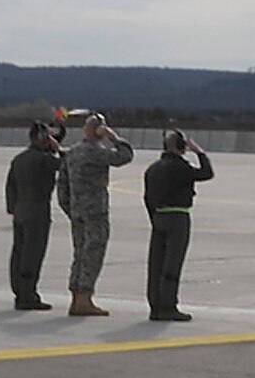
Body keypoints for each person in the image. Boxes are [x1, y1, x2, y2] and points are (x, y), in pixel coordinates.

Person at [61, 113, 134, 316]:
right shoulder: (95, 152)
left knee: (79, 253)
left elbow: (62, 187)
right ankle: (85, 299)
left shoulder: (73, 152)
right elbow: (125, 156)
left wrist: (70, 208)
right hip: (95, 211)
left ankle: (76, 299)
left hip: (77, 211)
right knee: (93, 253)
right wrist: (113, 137)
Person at [141, 129, 213, 321]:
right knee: (172, 263)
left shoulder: (152, 169)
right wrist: (200, 153)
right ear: (181, 147)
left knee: (155, 264)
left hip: (157, 217)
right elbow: (206, 173)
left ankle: (155, 306)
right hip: (178, 217)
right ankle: (168, 306)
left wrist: (154, 218)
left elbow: (147, 197)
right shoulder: (181, 167)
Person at [3, 122, 63, 310]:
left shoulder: (19, 159)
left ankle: (19, 291)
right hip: (37, 210)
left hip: (20, 209)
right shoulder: (44, 160)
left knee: (18, 252)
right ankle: (28, 295)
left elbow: (10, 187)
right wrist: (58, 149)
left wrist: (13, 208)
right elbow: (68, 164)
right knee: (33, 254)